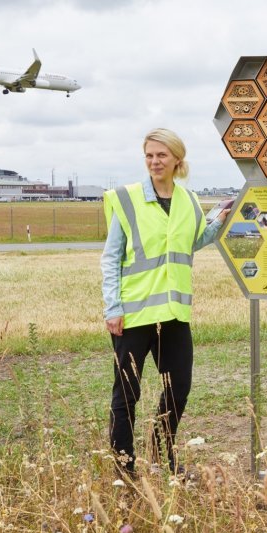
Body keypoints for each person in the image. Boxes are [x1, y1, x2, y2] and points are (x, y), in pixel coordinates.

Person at [100, 128, 230, 476]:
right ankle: (124, 467)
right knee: (126, 394)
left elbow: (192, 241)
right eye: (149, 155)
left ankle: (160, 452)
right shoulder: (127, 200)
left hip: (173, 314)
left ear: (177, 160)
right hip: (133, 315)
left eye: (161, 155)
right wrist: (112, 308)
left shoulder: (188, 200)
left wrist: (220, 219)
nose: (154, 162)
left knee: (179, 387)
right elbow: (111, 257)